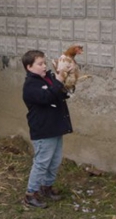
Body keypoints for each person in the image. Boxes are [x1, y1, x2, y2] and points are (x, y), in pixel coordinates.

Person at [21, 49, 73, 209]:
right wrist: (58, 80)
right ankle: (30, 194)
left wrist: (68, 81)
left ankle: (46, 187)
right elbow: (47, 98)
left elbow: (60, 95)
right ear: (29, 67)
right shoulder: (30, 86)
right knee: (42, 162)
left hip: (55, 126)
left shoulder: (48, 79)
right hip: (43, 130)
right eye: (40, 64)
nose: (44, 66)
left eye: (44, 62)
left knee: (55, 161)